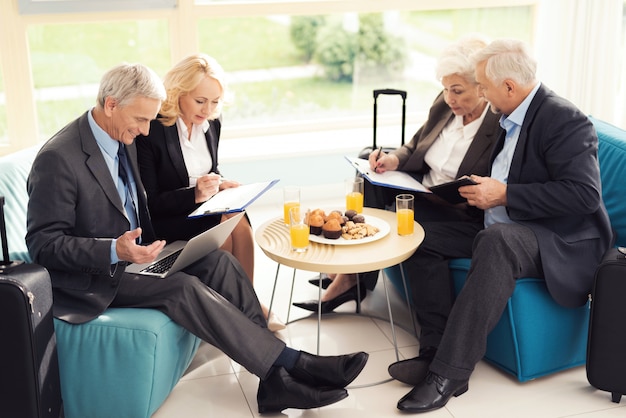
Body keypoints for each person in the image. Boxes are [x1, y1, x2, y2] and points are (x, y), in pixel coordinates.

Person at [25, 62, 368, 414]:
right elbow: (43, 245)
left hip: (139, 259)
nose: (145, 132)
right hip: (93, 279)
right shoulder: (58, 158)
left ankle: (274, 381)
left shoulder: (120, 133)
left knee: (219, 261)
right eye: (141, 121)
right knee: (183, 289)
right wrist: (114, 249)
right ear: (111, 104)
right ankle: (296, 364)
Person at [395, 38, 612, 413]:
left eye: (483, 86)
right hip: (501, 222)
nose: (480, 93)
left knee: (498, 241)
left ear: (508, 86)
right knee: (420, 236)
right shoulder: (506, 115)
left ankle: (450, 374)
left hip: (556, 238)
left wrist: (506, 195)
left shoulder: (564, 119)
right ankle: (433, 350)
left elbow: (584, 196)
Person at [293, 34, 502, 314]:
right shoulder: (444, 104)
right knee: (369, 167)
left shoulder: (499, 125)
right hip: (422, 191)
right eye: (445, 89)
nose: (449, 98)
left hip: (454, 209)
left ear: (481, 87)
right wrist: (393, 159)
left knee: (388, 214)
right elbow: (417, 144)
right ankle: (351, 277)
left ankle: (348, 279)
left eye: (457, 90)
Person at [135, 53, 283, 332]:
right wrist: (194, 194)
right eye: (200, 101)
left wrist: (221, 183)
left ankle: (246, 303)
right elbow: (149, 204)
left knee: (238, 219)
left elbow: (211, 168)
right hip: (170, 215)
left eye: (215, 102)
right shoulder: (154, 130)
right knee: (223, 229)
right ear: (179, 93)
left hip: (205, 205)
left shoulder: (212, 123)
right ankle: (244, 310)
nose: (208, 109)